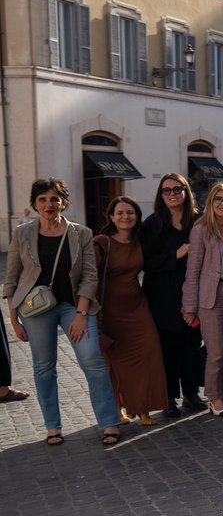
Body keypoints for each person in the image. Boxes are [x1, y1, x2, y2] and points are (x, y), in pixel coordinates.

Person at [3, 179, 121, 445]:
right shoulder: (22, 233)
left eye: (54, 199)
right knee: (44, 367)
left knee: (93, 361)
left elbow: (90, 276)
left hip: (73, 306)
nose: (49, 204)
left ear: (64, 203)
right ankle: (53, 426)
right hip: (35, 309)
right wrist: (14, 319)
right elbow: (12, 278)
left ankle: (109, 422)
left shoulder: (81, 233)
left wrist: (81, 315)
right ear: (34, 203)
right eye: (43, 199)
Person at [94, 197, 168, 426]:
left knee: (150, 352)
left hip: (138, 307)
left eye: (131, 213)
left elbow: (156, 262)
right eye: (120, 213)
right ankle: (117, 409)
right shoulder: (102, 242)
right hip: (110, 310)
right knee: (114, 363)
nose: (126, 217)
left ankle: (144, 410)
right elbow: (88, 278)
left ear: (137, 216)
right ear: (111, 217)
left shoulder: (140, 241)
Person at [142, 174, 206, 417]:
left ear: (186, 191)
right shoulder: (152, 224)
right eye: (166, 190)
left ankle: (191, 393)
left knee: (191, 345)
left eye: (177, 189)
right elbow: (146, 262)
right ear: (161, 195)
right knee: (167, 348)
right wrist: (176, 256)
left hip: (192, 293)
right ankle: (168, 397)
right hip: (162, 296)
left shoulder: (198, 221)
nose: (172, 194)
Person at [183, 184, 223, 416]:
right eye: (218, 199)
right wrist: (189, 306)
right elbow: (192, 271)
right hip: (212, 295)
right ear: (211, 203)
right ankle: (213, 397)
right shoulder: (201, 230)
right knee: (217, 351)